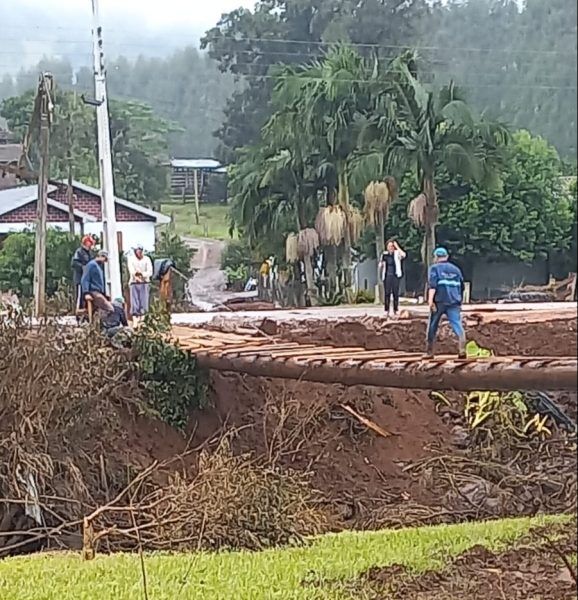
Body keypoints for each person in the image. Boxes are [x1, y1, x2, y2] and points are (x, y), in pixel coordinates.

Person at [425, 247, 467, 359]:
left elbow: (433, 286)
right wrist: (459, 300)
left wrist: (430, 301)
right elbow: (462, 287)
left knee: (433, 325)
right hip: (454, 301)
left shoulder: (434, 269)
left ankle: (430, 352)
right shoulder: (456, 269)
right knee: (457, 324)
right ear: (447, 257)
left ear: (436, 257)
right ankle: (462, 347)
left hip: (440, 301)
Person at [379, 239, 407, 317]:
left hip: (395, 275)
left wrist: (397, 247)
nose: (390, 248)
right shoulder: (384, 254)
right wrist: (381, 265)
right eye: (389, 246)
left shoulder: (397, 253)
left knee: (395, 293)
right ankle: (386, 310)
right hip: (387, 275)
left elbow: (404, 255)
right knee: (387, 293)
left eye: (392, 246)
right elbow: (381, 263)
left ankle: (396, 309)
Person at [127, 244, 153, 324]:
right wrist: (136, 275)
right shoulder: (131, 259)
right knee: (135, 302)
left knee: (144, 301)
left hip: (144, 282)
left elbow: (150, 271)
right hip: (134, 282)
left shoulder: (147, 259)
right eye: (138, 250)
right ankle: (135, 319)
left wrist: (142, 274)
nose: (139, 252)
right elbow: (131, 270)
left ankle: (143, 319)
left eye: (140, 250)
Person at [71, 235, 95, 313]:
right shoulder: (79, 252)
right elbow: (74, 263)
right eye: (89, 242)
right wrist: (83, 267)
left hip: (88, 280)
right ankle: (78, 312)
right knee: (79, 296)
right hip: (80, 279)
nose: (91, 244)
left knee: (86, 297)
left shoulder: (90, 253)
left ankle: (86, 314)